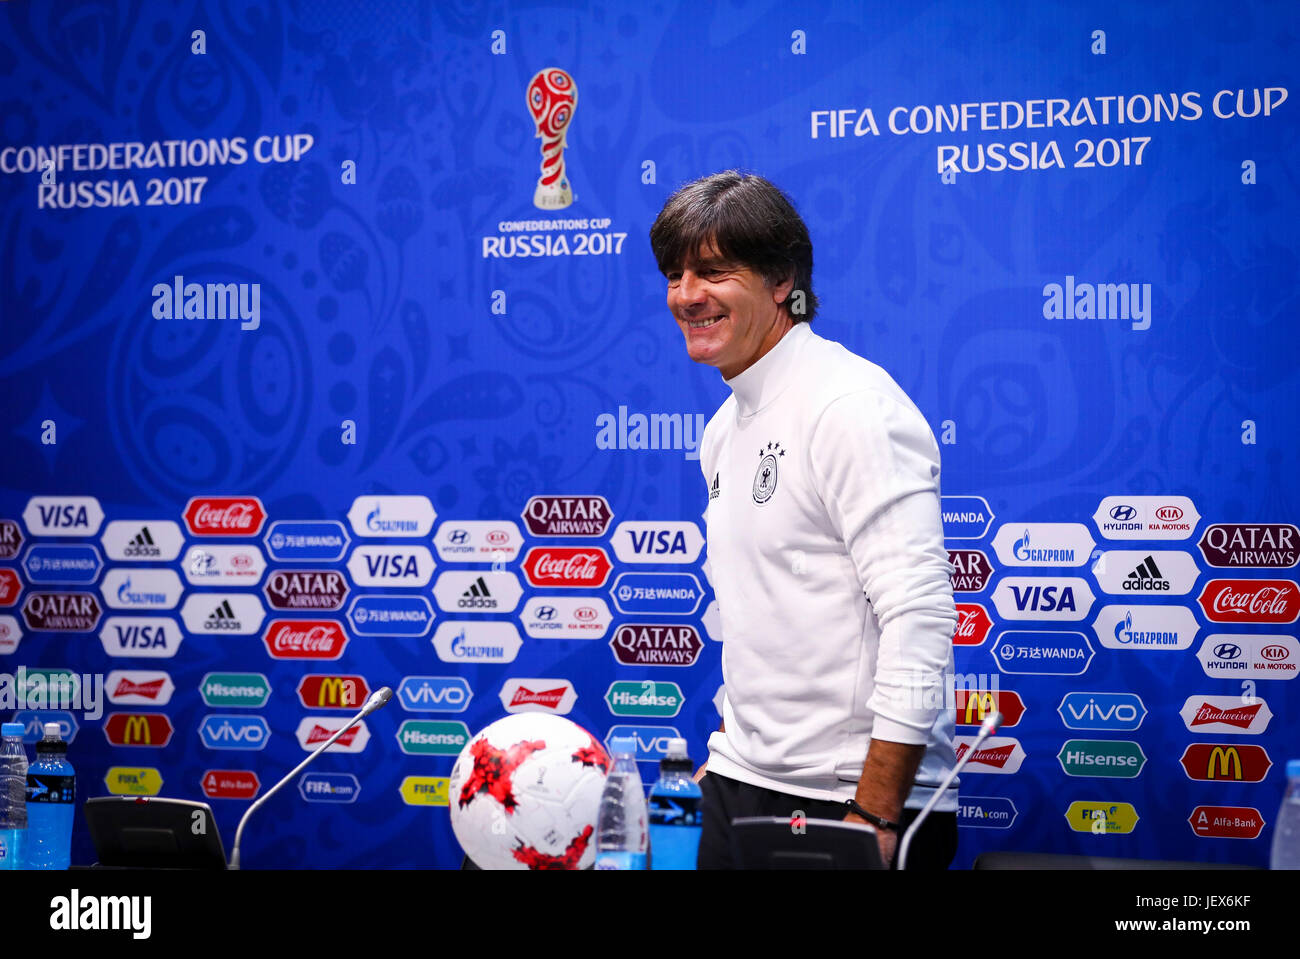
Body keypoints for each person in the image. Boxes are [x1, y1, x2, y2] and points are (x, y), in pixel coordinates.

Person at [648, 170, 960, 869]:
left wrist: (875, 809)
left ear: (782, 279)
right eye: (675, 274)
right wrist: (731, 760)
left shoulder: (849, 405)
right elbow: (766, 616)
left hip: (852, 802)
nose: (686, 295)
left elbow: (920, 615)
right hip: (744, 785)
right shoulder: (725, 426)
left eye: (714, 271)